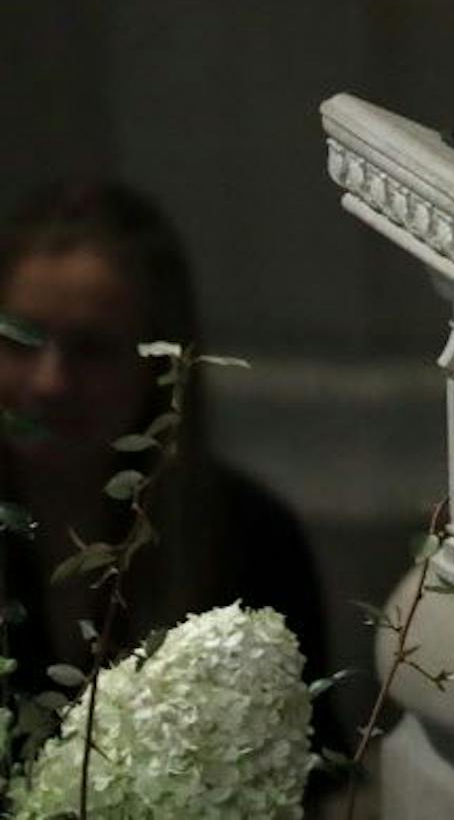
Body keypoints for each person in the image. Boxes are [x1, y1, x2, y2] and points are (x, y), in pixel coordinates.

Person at [0, 181, 332, 747]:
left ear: (160, 364)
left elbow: (310, 771)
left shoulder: (247, 537)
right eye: (21, 340)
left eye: (91, 349)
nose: (51, 382)